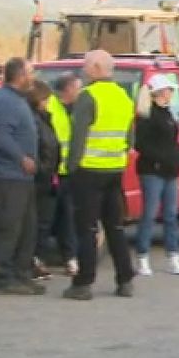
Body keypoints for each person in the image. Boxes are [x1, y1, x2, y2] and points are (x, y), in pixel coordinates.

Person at [63, 49, 137, 300]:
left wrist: (71, 169)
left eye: (86, 65)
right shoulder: (124, 97)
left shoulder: (88, 96)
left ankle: (83, 283)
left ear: (96, 67)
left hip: (88, 171)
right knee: (115, 227)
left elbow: (78, 138)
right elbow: (129, 139)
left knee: (86, 229)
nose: (83, 70)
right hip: (114, 170)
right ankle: (125, 279)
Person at [0, 57, 42, 295]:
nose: (33, 76)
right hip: (8, 176)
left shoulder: (18, 100)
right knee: (9, 228)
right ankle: (3, 277)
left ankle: (22, 274)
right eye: (30, 72)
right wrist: (21, 157)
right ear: (19, 75)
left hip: (22, 178)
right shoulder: (4, 101)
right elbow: (0, 136)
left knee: (27, 228)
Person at [133, 74, 179, 276]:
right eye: (168, 90)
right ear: (158, 93)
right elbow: (141, 144)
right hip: (152, 171)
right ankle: (142, 256)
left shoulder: (168, 113)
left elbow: (173, 141)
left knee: (171, 215)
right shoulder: (147, 115)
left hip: (171, 171)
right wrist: (160, 159)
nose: (171, 93)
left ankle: (173, 255)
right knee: (149, 214)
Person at [28, 80, 63, 282]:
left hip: (48, 177)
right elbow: (39, 148)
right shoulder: (35, 121)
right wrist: (43, 170)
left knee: (44, 222)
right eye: (47, 99)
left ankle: (37, 260)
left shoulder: (43, 119)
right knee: (37, 223)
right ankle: (33, 262)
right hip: (39, 179)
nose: (49, 103)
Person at [50, 73, 81, 274]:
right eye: (78, 88)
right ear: (68, 89)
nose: (81, 92)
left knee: (68, 217)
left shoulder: (77, 109)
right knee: (46, 218)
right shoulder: (50, 106)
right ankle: (37, 259)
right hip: (52, 173)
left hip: (69, 172)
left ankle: (70, 258)